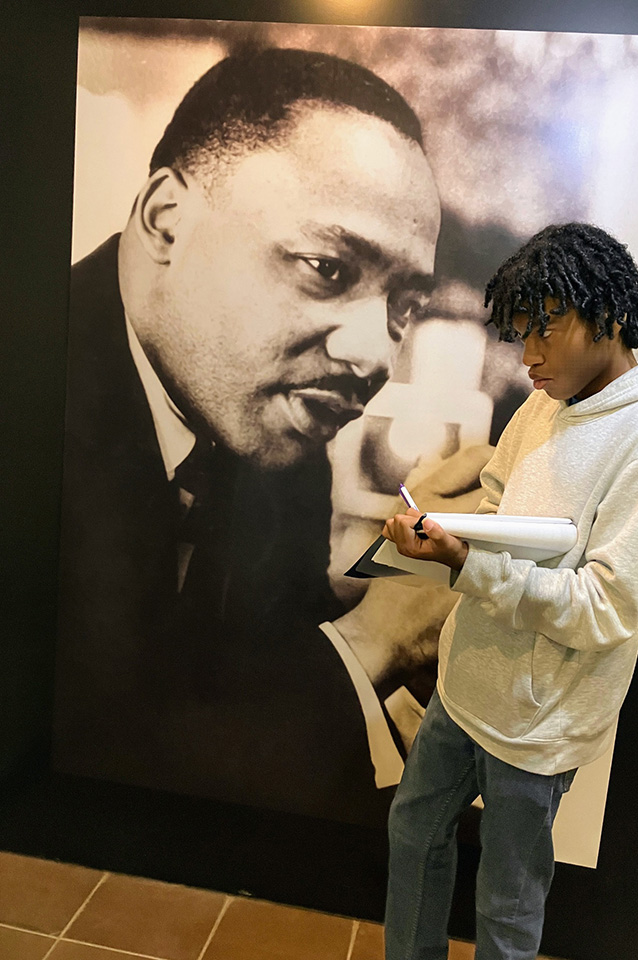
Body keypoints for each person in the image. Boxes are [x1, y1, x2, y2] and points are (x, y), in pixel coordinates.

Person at [54, 46, 442, 824]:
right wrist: (372, 643)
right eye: (327, 268)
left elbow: (257, 675)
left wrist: (406, 576)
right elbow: (79, 759)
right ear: (166, 220)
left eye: (406, 305)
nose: (375, 355)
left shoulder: (270, 427)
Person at [380, 223, 638, 959]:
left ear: (606, 315)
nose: (526, 357)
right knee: (413, 833)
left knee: (507, 903)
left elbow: (609, 609)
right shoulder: (544, 401)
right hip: (465, 684)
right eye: (519, 335)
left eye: (542, 333)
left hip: (540, 722)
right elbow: (499, 502)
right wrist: (447, 537)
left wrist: (470, 565)